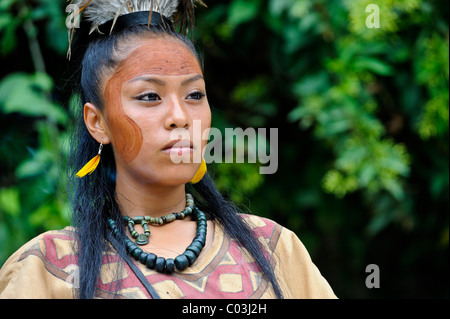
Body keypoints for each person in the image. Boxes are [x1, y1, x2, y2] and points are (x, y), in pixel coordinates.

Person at [0, 0, 336, 299]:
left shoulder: (274, 247)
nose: (180, 117)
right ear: (97, 122)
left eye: (194, 95)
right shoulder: (45, 268)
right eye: (149, 96)